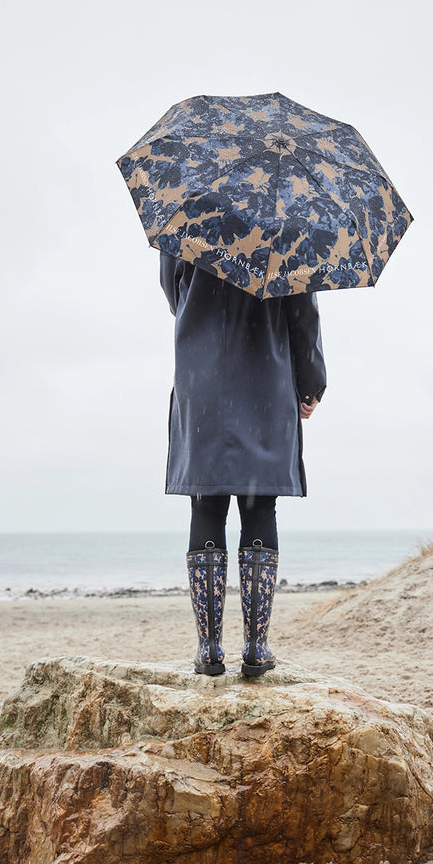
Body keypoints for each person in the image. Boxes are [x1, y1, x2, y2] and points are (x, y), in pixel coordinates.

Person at [159, 251, 327, 678]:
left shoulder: (187, 214)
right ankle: (255, 648)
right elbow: (302, 310)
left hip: (202, 376)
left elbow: (171, 291)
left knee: (205, 505)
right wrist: (311, 382)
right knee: (259, 506)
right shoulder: (287, 224)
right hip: (265, 377)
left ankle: (210, 650)